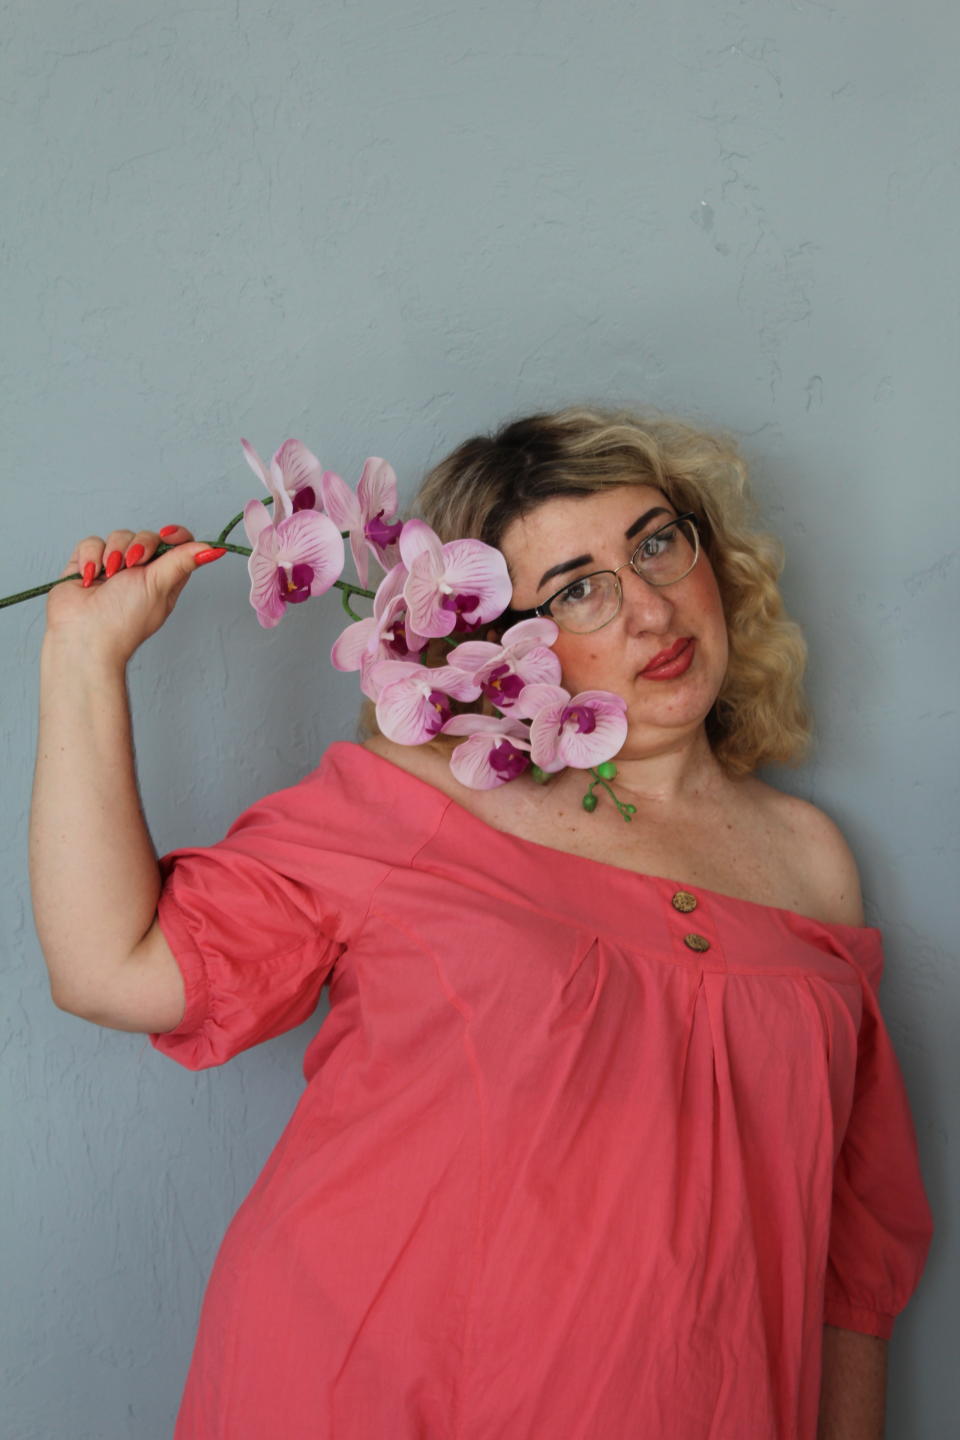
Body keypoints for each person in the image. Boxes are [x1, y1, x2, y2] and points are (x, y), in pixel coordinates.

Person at [30, 405, 933, 1439]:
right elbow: (114, 967)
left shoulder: (810, 861)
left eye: (656, 544)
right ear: (500, 643)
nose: (649, 610)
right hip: (368, 1395)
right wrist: (83, 660)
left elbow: (853, 1263)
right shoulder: (412, 802)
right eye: (577, 589)